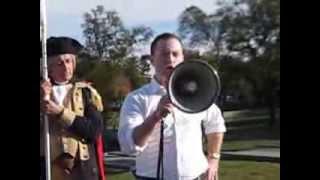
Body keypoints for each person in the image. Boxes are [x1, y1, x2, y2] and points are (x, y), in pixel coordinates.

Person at [118, 33, 226, 180]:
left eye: (175, 54)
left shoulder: (197, 94)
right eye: (164, 54)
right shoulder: (137, 99)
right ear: (152, 60)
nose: (170, 59)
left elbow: (216, 123)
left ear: (182, 58)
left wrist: (213, 159)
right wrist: (155, 117)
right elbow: (129, 145)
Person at [40, 37, 106, 180]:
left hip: (82, 170)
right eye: (59, 63)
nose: (66, 67)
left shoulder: (86, 93)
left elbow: (93, 130)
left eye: (68, 61)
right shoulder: (41, 93)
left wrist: (60, 113)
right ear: (48, 67)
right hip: (47, 170)